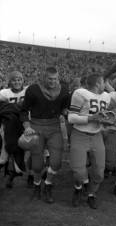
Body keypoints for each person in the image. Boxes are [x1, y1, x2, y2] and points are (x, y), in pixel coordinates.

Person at [21, 67, 69, 204]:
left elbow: (64, 108)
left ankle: (48, 184)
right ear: (44, 77)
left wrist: (66, 112)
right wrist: (27, 126)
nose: (52, 81)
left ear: (58, 78)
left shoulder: (64, 90)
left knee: (56, 161)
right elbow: (24, 111)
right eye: (50, 78)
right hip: (36, 126)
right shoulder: (33, 89)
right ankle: (37, 185)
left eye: (55, 79)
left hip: (54, 127)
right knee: (37, 164)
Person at [68, 73, 112, 209]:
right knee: (78, 172)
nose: (106, 86)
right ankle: (78, 187)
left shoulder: (106, 96)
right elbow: (71, 118)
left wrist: (106, 122)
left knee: (99, 172)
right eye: (104, 82)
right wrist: (91, 118)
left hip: (96, 135)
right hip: (79, 134)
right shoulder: (80, 93)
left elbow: (101, 117)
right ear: (98, 83)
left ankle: (91, 194)